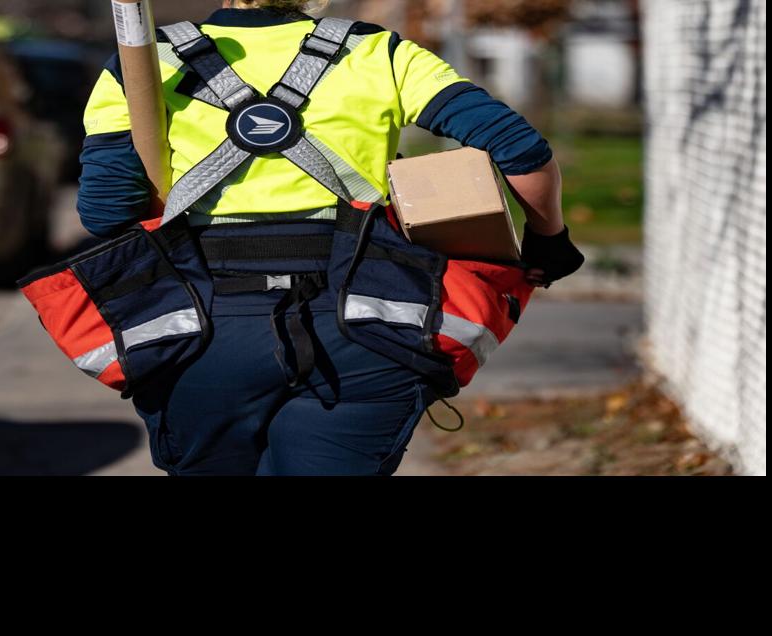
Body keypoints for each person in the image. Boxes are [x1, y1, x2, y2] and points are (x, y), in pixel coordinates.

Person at [76, 0, 584, 476]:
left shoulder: (144, 63)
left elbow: (106, 214)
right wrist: (548, 238)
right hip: (364, 325)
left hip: (204, 328)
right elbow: (522, 152)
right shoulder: (378, 53)